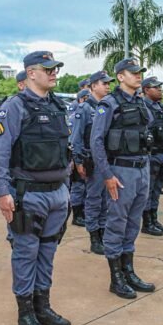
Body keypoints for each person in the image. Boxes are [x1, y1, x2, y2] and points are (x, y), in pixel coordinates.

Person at [0, 51, 71, 325]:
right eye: (47, 69)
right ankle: (25, 312)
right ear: (31, 73)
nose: (53, 73)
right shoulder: (14, 106)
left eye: (55, 68)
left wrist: (67, 189)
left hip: (57, 193)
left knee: (47, 253)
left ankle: (43, 306)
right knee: (26, 254)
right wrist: (2, 191)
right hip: (27, 194)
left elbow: (65, 151)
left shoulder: (58, 105)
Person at [90, 59, 155, 299]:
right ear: (120, 76)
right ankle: (116, 278)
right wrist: (107, 175)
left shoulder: (140, 102)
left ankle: (128, 271)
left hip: (141, 168)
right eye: (133, 73)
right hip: (121, 170)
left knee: (133, 223)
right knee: (117, 223)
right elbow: (96, 141)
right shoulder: (109, 104)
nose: (138, 77)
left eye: (140, 73)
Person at [71, 72, 112, 254]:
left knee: (106, 199)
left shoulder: (107, 106)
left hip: (106, 159)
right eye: (104, 83)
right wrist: (78, 161)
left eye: (108, 84)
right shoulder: (85, 108)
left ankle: (103, 231)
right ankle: (94, 236)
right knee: (94, 199)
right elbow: (77, 137)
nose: (107, 86)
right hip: (91, 160)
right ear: (93, 86)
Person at [141, 76, 163, 236]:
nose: (160, 89)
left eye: (160, 87)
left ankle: (154, 218)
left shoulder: (160, 107)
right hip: (151, 155)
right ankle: (147, 222)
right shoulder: (144, 107)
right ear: (146, 90)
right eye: (155, 87)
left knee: (157, 189)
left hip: (162, 153)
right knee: (149, 189)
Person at [68, 89, 91, 228]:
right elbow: (74, 140)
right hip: (78, 155)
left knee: (86, 188)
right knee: (78, 187)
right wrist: (76, 160)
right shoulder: (74, 117)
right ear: (82, 99)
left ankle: (82, 212)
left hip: (86, 156)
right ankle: (77, 215)